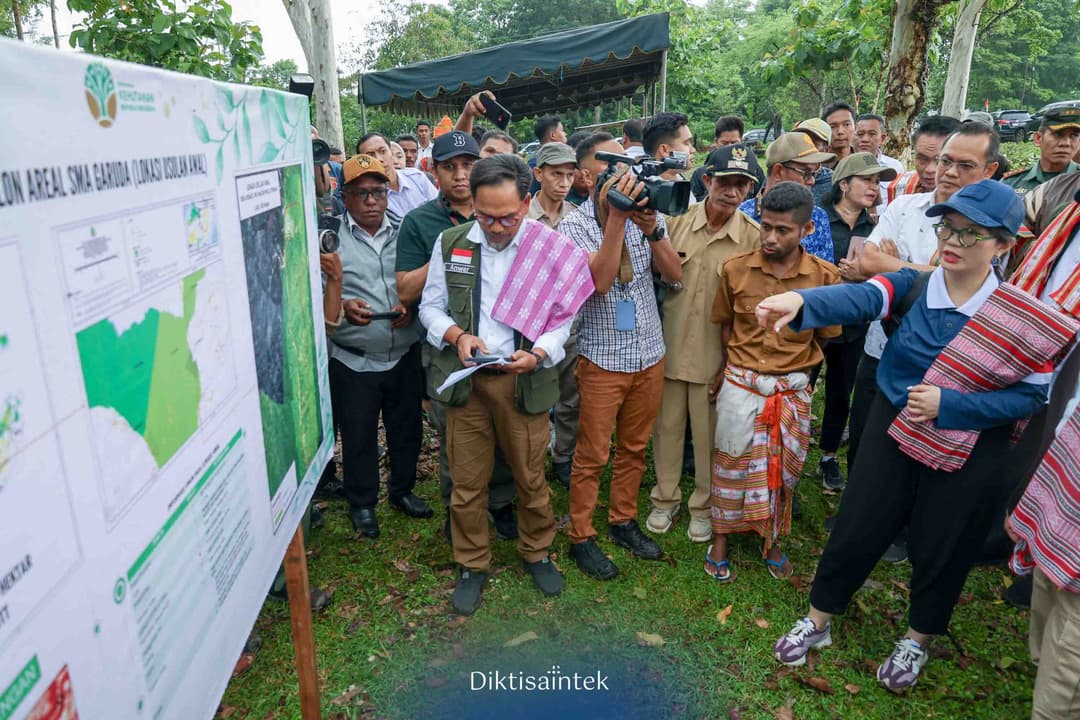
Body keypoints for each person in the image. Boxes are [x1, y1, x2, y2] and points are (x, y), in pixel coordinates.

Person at [764, 180, 1067, 692]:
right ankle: (818, 619)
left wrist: (954, 405)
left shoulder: (1023, 318)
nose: (952, 240)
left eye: (971, 234)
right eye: (948, 226)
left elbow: (1031, 399)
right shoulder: (918, 285)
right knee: (859, 521)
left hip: (972, 443)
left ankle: (918, 639)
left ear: (1005, 244)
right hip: (893, 423)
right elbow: (865, 295)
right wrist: (799, 300)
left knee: (944, 541)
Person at [418, 154, 595, 614]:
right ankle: (473, 563)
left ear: (526, 202)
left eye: (508, 218)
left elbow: (563, 317)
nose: (496, 228)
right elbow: (429, 307)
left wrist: (538, 353)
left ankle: (536, 550)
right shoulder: (452, 243)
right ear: (470, 204)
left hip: (523, 382)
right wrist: (456, 336)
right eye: (486, 217)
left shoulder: (546, 247)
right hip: (468, 383)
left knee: (530, 476)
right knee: (467, 480)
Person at [844, 121, 1001, 560]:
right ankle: (865, 523)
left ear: (988, 170)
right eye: (934, 160)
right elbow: (864, 262)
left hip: (954, 365)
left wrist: (897, 266)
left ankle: (914, 530)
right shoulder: (905, 205)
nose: (941, 171)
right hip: (882, 346)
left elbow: (985, 282)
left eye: (957, 164)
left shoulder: (1002, 222)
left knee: (931, 450)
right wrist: (943, 273)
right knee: (868, 439)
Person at [705, 182, 841, 583]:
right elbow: (727, 325)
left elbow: (824, 336)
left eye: (783, 230)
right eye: (766, 226)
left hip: (791, 390)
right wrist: (726, 370)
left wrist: (797, 379)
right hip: (741, 386)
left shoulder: (824, 279)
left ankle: (772, 539)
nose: (770, 237)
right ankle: (721, 539)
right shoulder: (735, 269)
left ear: (806, 231)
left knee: (784, 473)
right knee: (729, 463)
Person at [558, 150, 683, 581]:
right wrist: (616, 219)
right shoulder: (572, 225)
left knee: (633, 448)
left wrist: (651, 230)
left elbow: (674, 274)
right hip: (602, 358)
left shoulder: (645, 217)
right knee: (592, 453)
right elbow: (600, 281)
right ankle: (581, 534)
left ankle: (623, 520)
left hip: (649, 352)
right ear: (593, 184)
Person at [395, 131, 520, 543]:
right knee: (455, 440)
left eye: (468, 165)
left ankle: (501, 505)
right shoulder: (422, 223)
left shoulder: (507, 218)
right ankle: (459, 512)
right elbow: (408, 292)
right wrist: (448, 251)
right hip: (449, 354)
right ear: (434, 171)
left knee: (503, 433)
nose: (461, 174)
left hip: (501, 349)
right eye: (450, 167)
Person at [648, 144, 761, 543]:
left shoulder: (752, 239)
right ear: (708, 180)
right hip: (668, 347)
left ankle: (703, 505)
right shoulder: (675, 223)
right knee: (667, 429)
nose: (733, 192)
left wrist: (732, 365)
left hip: (716, 357)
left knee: (711, 435)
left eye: (742, 185)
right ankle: (664, 499)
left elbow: (749, 313)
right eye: (726, 182)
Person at [323, 154, 432, 539]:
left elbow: (422, 283)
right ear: (346, 196)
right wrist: (346, 305)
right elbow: (319, 294)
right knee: (358, 434)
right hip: (354, 359)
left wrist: (411, 306)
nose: (372, 201)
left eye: (379, 192)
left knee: (406, 430)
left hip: (402, 352)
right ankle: (362, 503)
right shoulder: (330, 239)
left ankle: (402, 490)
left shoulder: (408, 231)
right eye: (362, 193)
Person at [816, 153, 896, 490]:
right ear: (844, 184)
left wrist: (867, 274)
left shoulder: (878, 226)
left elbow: (890, 269)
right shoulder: (818, 219)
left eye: (877, 182)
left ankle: (828, 457)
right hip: (817, 321)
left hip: (854, 326)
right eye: (866, 180)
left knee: (840, 391)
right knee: (802, 385)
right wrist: (837, 274)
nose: (873, 187)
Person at [528, 142, 582, 488]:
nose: (563, 182)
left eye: (568, 174)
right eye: (555, 174)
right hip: (530, 323)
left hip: (570, 321)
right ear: (538, 174)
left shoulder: (577, 217)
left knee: (571, 395)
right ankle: (530, 461)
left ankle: (563, 455)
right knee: (531, 397)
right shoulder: (521, 216)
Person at [738, 132, 836, 262]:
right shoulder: (742, 216)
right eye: (806, 173)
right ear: (778, 171)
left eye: (814, 174)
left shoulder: (818, 216)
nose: (812, 181)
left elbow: (826, 274)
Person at [357, 133, 437, 228]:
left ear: (391, 152)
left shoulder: (417, 178)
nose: (379, 159)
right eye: (370, 155)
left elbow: (440, 209)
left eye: (382, 151)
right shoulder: (368, 199)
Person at [1002, 106, 1080, 196]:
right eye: (1058, 135)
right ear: (1038, 138)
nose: (1066, 143)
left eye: (1073, 136)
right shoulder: (1012, 183)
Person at [884, 115, 961, 203]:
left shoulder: (973, 197)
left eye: (944, 161)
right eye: (922, 159)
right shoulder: (899, 187)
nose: (930, 170)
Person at [854, 113, 905, 212]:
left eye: (872, 134)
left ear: (883, 138)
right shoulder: (845, 166)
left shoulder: (895, 167)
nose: (865, 139)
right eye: (860, 134)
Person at [691, 116, 747, 202]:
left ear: (741, 142)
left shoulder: (753, 172)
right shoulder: (701, 174)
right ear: (716, 142)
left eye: (734, 143)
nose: (730, 147)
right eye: (725, 143)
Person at [642, 111, 695, 181]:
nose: (693, 150)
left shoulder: (680, 182)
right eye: (686, 143)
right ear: (664, 150)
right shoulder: (642, 189)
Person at [792, 118, 834, 205]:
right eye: (801, 140)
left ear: (827, 149)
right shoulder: (782, 173)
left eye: (813, 142)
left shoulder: (834, 182)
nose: (806, 146)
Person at [822, 102, 856, 167]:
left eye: (846, 124)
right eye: (833, 127)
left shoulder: (863, 161)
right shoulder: (816, 165)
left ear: (855, 127)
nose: (840, 132)